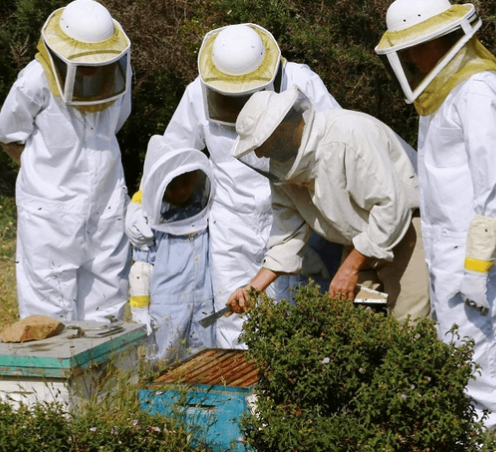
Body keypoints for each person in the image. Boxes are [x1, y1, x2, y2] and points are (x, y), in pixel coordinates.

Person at [125, 23, 342, 349]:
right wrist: (145, 201)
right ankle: (239, 398)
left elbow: (336, 142)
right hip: (230, 223)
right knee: (234, 316)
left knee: (294, 315)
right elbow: (171, 155)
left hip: (292, 219)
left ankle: (287, 396)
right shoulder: (197, 93)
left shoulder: (301, 81)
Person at [375, 0, 496, 437]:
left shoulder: (477, 91)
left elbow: (494, 188)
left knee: (478, 357)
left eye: (412, 47)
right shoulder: (445, 91)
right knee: (468, 350)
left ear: (437, 40)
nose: (407, 58)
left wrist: (477, 266)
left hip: (475, 252)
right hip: (450, 249)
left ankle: (489, 442)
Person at [226, 85, 431, 324]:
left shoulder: (348, 136)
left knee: (410, 327)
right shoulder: (284, 171)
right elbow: (287, 235)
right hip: (359, 250)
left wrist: (349, 269)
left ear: (281, 129)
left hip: (403, 237)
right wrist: (252, 289)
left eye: (261, 144)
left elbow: (390, 207)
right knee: (360, 328)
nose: (260, 155)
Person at [0, 0, 133, 322]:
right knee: (48, 317)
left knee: (107, 310)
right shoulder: (35, 79)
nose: (93, 72)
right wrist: (46, 175)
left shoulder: (120, 71)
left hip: (107, 204)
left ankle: (107, 375)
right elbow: (8, 134)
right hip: (49, 213)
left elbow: (118, 120)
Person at [128, 135, 216, 365]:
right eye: (173, 186)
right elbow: (141, 271)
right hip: (166, 310)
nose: (181, 191)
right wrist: (139, 314)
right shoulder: (150, 225)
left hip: (203, 306)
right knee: (163, 366)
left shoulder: (204, 214)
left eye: (186, 183)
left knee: (204, 363)